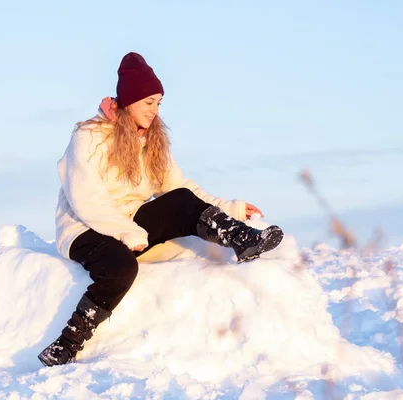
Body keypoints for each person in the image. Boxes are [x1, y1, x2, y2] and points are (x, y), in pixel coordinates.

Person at [38, 52, 284, 367]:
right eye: (148, 102)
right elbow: (85, 196)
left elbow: (182, 187)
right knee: (121, 267)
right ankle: (67, 344)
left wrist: (232, 208)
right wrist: (127, 232)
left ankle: (242, 239)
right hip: (85, 229)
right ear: (128, 101)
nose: (155, 110)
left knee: (179, 199)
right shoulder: (89, 136)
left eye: (158, 103)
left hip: (130, 226)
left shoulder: (152, 142)